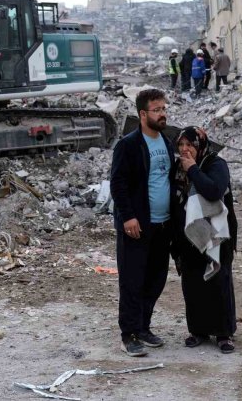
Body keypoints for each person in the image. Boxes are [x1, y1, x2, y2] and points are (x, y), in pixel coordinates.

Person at [110, 88, 175, 357]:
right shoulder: (128, 145)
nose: (162, 113)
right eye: (157, 110)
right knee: (132, 281)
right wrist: (128, 217)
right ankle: (129, 334)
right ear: (142, 114)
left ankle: (144, 327)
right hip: (137, 225)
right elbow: (118, 183)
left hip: (163, 225)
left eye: (164, 108)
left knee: (156, 279)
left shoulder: (167, 142)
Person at [170, 126, 238, 353]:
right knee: (192, 283)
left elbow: (214, 191)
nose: (185, 149)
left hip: (216, 235)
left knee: (218, 282)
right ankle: (197, 330)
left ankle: (223, 333)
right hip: (188, 236)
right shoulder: (178, 168)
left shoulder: (215, 164)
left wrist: (193, 171)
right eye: (181, 145)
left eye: (189, 144)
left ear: (200, 145)